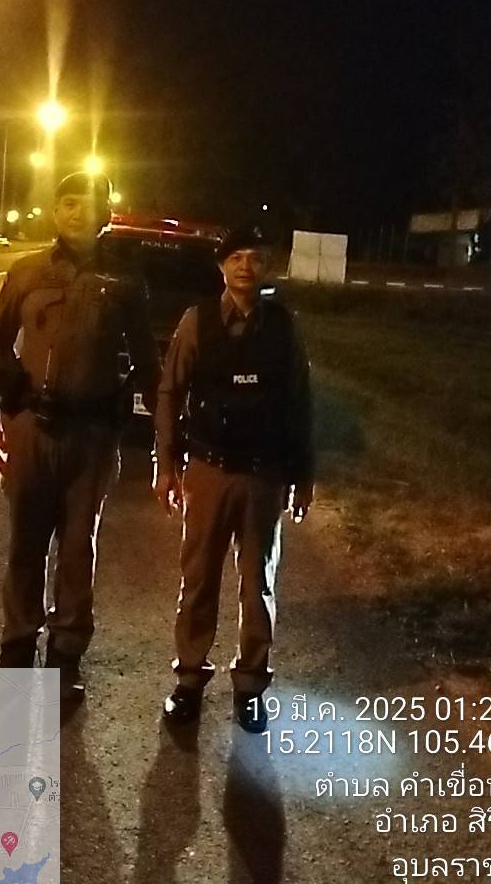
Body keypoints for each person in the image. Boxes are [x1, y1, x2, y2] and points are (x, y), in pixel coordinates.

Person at [0, 171, 160, 697]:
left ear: (106, 213)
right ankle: (17, 648)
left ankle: (65, 656)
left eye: (90, 203)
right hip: (32, 430)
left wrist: (169, 442)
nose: (79, 212)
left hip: (92, 437)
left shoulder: (124, 281)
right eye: (69, 203)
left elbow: (148, 364)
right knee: (26, 544)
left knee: (79, 549)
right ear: (57, 211)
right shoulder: (27, 271)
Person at [153, 222, 314, 732]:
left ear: (267, 267)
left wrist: (303, 473)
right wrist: (166, 464)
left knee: (258, 584)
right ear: (222, 265)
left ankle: (250, 686)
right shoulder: (197, 321)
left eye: (256, 258)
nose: (246, 266)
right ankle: (189, 680)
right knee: (198, 579)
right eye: (237, 257)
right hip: (209, 471)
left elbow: (299, 401)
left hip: (264, 475)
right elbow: (170, 392)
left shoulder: (283, 327)